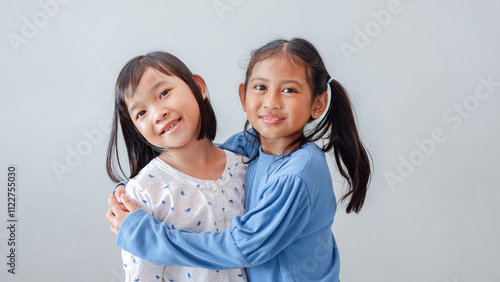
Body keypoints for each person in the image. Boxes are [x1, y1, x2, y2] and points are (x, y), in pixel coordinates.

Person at [107, 38, 371, 281]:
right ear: (244, 95)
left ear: (318, 103)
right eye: (260, 87)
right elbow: (198, 160)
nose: (271, 102)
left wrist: (142, 235)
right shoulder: (251, 147)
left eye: (289, 90)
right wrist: (129, 192)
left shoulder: (297, 173)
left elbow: (242, 247)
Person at [105, 51, 248, 281]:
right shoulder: (144, 192)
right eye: (141, 112)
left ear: (198, 87)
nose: (158, 113)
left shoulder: (244, 166)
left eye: (164, 93)